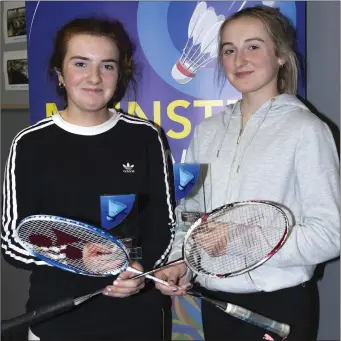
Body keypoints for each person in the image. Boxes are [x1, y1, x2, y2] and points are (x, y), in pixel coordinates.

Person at [154, 5, 340, 341]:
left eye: (253, 46)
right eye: (229, 50)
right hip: (213, 302)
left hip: (278, 305)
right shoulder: (206, 132)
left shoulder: (307, 130)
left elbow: (330, 234)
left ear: (281, 55)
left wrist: (242, 240)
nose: (240, 60)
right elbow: (190, 215)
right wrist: (182, 260)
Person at [1, 17, 176, 341]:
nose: (94, 77)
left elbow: (163, 225)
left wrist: (140, 268)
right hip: (60, 321)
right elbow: (12, 241)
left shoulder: (146, 137)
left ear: (119, 74)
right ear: (59, 73)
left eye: (107, 66)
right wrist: (78, 253)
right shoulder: (29, 143)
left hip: (136, 318)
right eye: (81, 63)